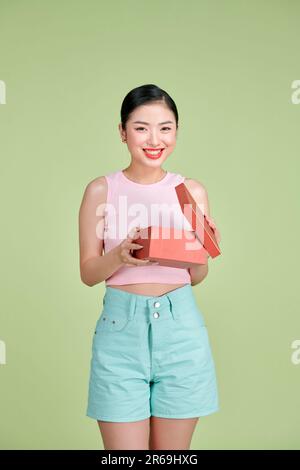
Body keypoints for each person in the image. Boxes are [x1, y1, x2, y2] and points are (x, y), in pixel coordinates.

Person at [79, 84, 221, 450]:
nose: (154, 138)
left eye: (166, 127)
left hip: (181, 331)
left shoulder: (190, 192)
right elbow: (88, 273)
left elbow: (197, 277)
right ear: (122, 132)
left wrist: (201, 252)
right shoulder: (101, 190)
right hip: (120, 333)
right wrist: (121, 255)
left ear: (176, 131)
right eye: (141, 127)